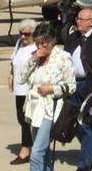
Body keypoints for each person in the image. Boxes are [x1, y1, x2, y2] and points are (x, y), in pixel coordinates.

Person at [21, 23, 76, 171]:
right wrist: (33, 59)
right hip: (34, 109)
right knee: (44, 151)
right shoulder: (36, 56)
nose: (40, 46)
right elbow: (21, 78)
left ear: (52, 41)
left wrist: (51, 88)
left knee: (37, 152)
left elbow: (71, 86)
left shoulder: (63, 57)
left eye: (43, 42)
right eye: (37, 42)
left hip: (50, 110)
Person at [64, 8, 92, 171]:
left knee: (87, 124)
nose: (78, 22)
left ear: (91, 21)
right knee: (73, 121)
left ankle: (84, 164)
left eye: (82, 19)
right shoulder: (72, 37)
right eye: (77, 19)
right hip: (73, 85)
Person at [9, 19, 38, 165]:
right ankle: (32, 146)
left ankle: (26, 150)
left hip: (31, 90)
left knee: (28, 121)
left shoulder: (37, 47)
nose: (23, 37)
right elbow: (13, 60)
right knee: (22, 119)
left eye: (26, 34)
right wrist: (10, 74)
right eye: (21, 33)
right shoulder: (19, 44)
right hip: (19, 90)